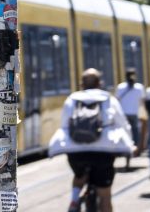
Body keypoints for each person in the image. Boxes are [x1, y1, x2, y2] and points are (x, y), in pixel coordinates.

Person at [48, 68, 134, 212]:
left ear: (81, 84)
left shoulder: (72, 99)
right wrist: (131, 145)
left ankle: (75, 199)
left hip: (76, 152)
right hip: (103, 152)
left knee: (79, 174)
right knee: (105, 196)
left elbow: (64, 126)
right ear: (100, 83)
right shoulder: (108, 99)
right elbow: (123, 125)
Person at [114, 68, 145, 170]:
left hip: (123, 116)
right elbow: (142, 102)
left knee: (124, 136)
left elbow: (116, 101)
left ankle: (124, 155)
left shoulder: (120, 87)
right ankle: (134, 151)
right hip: (134, 115)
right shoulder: (139, 87)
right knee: (134, 136)